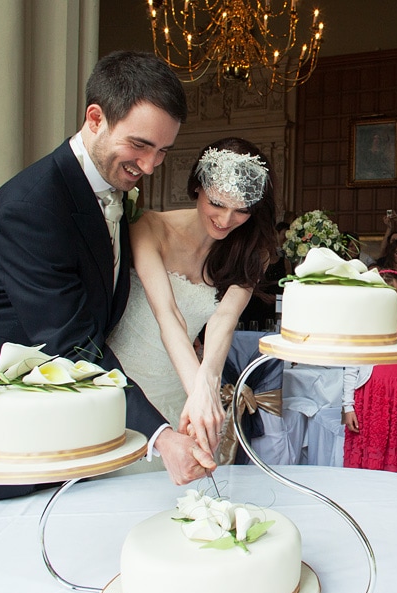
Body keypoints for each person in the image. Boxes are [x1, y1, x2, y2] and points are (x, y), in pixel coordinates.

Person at [0, 51, 208, 521]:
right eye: (140, 145)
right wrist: (160, 435)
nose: (150, 166)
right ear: (95, 118)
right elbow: (69, 340)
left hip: (62, 411)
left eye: (162, 151)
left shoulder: (111, 191)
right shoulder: (31, 206)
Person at [107, 138, 277, 473]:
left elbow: (223, 321)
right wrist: (198, 387)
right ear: (197, 186)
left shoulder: (252, 250)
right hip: (121, 386)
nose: (226, 219)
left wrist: (206, 387)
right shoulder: (150, 227)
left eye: (242, 210)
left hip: (180, 392)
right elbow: (167, 314)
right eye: (217, 203)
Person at [342, 271, 397, 472]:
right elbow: (351, 368)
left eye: (393, 293)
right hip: (369, 398)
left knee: (395, 454)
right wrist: (348, 406)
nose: (387, 298)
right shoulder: (363, 329)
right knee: (368, 454)